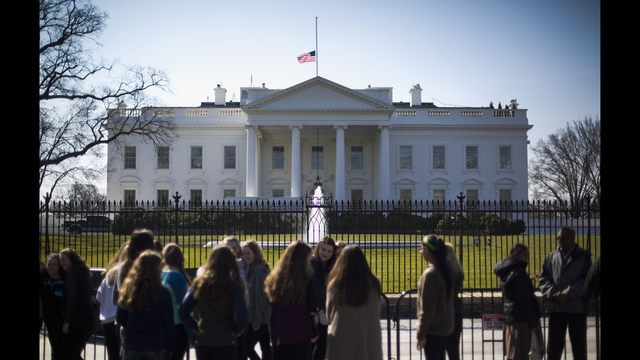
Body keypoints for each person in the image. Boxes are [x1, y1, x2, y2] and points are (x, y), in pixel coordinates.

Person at [179, 245, 248, 360]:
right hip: (225, 339)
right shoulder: (233, 286)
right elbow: (242, 315)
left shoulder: (200, 284)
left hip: (203, 339)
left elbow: (183, 311)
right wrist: (233, 330)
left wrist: (196, 326)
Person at [538, 226, 592, 360]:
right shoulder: (551, 257)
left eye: (562, 238)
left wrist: (567, 294)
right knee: (554, 349)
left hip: (576, 309)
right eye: (558, 238)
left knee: (579, 348)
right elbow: (543, 279)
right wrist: (555, 293)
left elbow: (585, 281)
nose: (559, 241)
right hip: (556, 309)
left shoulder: (583, 256)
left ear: (572, 239)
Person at [325, 245, 383, 360]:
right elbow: (377, 308)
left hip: (342, 335)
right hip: (368, 335)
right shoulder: (373, 283)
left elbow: (329, 313)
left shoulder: (335, 284)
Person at [117, 250, 177, 360]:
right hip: (156, 344)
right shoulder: (162, 292)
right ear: (154, 269)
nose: (161, 270)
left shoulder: (128, 291)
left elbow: (120, 318)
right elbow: (169, 322)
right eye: (160, 266)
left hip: (132, 343)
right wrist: (172, 345)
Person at [264, 241, 319, 360]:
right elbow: (312, 308)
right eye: (309, 259)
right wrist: (314, 331)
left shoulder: (274, 279)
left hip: (279, 334)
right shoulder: (306, 279)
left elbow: (270, 304)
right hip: (300, 333)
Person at [494, 244, 543, 360]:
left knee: (513, 352)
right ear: (517, 255)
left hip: (511, 316)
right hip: (521, 319)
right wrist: (534, 323)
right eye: (525, 255)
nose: (527, 258)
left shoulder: (507, 270)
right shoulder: (518, 273)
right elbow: (525, 301)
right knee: (524, 352)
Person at [415, 235, 454, 360]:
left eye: (422, 249)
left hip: (434, 329)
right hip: (445, 326)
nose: (421, 252)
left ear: (427, 250)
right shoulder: (445, 269)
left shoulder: (431, 274)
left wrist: (420, 335)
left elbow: (427, 309)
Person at [59, 248, 98, 360]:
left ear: (71, 260)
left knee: (66, 354)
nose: (61, 263)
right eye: (60, 260)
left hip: (80, 318)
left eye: (64, 259)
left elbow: (72, 297)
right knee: (74, 354)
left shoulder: (71, 272)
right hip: (90, 318)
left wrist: (67, 321)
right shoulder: (84, 272)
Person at [97, 242, 129, 360]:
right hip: (120, 319)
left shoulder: (109, 272)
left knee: (112, 355)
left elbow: (99, 296)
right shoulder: (129, 272)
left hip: (106, 320)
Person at [242, 240, 273, 360]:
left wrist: (256, 321)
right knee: (266, 347)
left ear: (256, 252)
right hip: (262, 316)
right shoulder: (254, 268)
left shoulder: (259, 270)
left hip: (258, 317)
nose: (245, 257)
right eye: (243, 254)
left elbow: (260, 298)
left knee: (246, 347)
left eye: (248, 253)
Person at [161, 243, 193, 360]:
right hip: (178, 326)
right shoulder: (177, 277)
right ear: (181, 258)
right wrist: (191, 333)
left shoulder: (161, 275)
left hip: (163, 324)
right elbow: (183, 307)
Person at [310, 235, 336, 360]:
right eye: (323, 249)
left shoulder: (329, 266)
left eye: (330, 251)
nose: (326, 253)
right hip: (314, 312)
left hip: (324, 313)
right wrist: (319, 311)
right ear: (318, 248)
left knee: (321, 346)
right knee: (315, 346)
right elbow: (311, 290)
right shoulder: (312, 264)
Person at [40, 253, 66, 360]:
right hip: (50, 323)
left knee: (65, 352)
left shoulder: (65, 282)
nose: (51, 267)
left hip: (64, 323)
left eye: (54, 265)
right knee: (55, 351)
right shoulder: (44, 280)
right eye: (49, 264)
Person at [444, 243, 464, 360]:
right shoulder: (458, 270)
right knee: (454, 351)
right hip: (456, 310)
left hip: (445, 312)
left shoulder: (444, 270)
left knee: (439, 350)